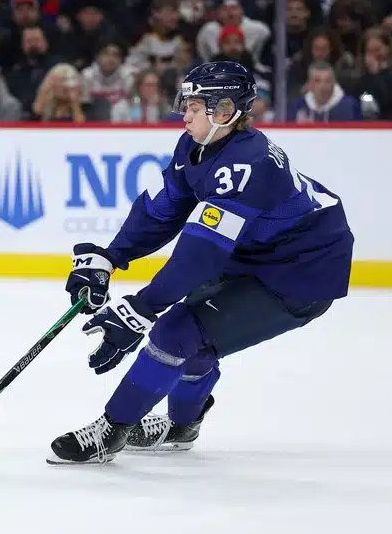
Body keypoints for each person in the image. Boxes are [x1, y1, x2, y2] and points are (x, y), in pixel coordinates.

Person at [49, 62, 354, 464]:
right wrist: (111, 257)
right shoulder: (195, 147)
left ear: (225, 112)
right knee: (193, 339)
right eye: (186, 104)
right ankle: (181, 427)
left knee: (176, 330)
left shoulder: (247, 164)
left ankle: (113, 429)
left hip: (302, 272)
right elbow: (161, 211)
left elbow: (201, 254)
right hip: (259, 252)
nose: (184, 114)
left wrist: (141, 308)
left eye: (194, 106)